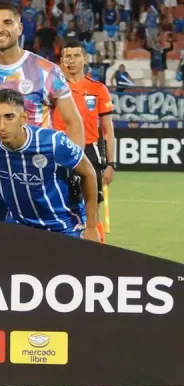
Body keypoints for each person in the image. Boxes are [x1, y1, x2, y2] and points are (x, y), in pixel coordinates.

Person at [0, 0, 85, 222]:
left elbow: (73, 122)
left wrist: (72, 172)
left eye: (7, 22)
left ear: (19, 28)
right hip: (1, 180)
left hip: (41, 179)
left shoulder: (45, 70)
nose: (0, 28)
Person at [0, 89, 100, 242]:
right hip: (19, 224)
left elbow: (89, 173)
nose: (2, 126)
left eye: (9, 117)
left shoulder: (54, 142)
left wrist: (92, 227)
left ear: (24, 118)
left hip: (63, 226)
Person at [54, 41, 116, 242]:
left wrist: (110, 164)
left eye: (76, 55)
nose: (71, 60)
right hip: (58, 150)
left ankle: (97, 251)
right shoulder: (53, 88)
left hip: (89, 151)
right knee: (59, 203)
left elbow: (108, 129)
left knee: (92, 205)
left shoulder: (98, 89)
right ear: (61, 61)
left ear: (85, 59)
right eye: (67, 56)